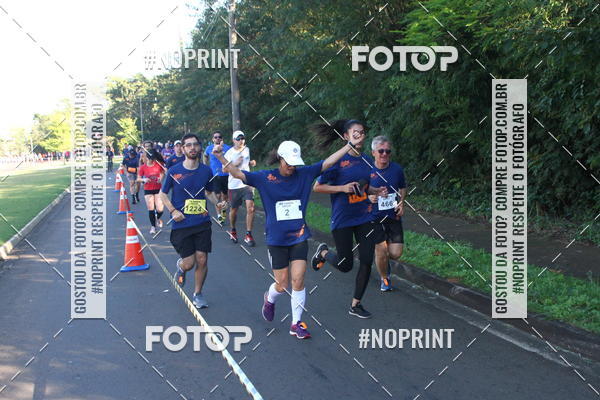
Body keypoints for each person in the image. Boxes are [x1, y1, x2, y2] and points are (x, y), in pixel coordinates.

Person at [213, 136, 362, 339]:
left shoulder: (304, 174)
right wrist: (221, 157)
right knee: (282, 285)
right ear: (280, 159)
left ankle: (296, 323)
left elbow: (328, 162)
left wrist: (348, 146)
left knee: (298, 280)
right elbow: (238, 173)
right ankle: (270, 298)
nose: (292, 167)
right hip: (276, 239)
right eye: (288, 163)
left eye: (295, 163)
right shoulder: (265, 177)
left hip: (299, 237)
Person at [311, 119, 386, 319]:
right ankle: (323, 252)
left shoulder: (367, 161)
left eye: (362, 132)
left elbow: (364, 187)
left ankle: (356, 304)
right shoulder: (337, 162)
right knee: (345, 265)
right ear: (346, 136)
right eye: (355, 133)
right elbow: (317, 187)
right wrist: (342, 188)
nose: (360, 136)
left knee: (367, 260)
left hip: (364, 217)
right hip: (343, 218)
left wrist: (377, 191)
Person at [160, 133, 225, 309]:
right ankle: (181, 267)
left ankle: (198, 294)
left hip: (202, 222)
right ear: (183, 148)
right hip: (182, 224)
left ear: (200, 147)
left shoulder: (206, 171)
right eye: (188, 145)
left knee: (202, 259)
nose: (192, 148)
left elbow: (209, 192)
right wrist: (173, 211)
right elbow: (163, 194)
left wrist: (218, 203)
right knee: (189, 263)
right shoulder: (174, 171)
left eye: (195, 144)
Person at [369, 136, 406, 291]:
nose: (384, 154)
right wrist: (368, 198)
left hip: (393, 216)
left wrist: (402, 202)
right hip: (373, 217)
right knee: (381, 250)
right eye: (381, 151)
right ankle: (385, 279)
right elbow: (358, 191)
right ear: (373, 153)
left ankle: (382, 261)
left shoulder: (397, 169)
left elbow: (402, 187)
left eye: (387, 151)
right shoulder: (367, 170)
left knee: (395, 253)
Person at [223, 131, 257, 245]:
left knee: (251, 208)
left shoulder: (246, 149)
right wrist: (235, 164)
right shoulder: (229, 153)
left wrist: (251, 163)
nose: (241, 141)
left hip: (247, 183)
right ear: (233, 140)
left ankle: (248, 234)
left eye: (242, 138)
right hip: (234, 186)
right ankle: (233, 230)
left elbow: (246, 163)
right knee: (234, 210)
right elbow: (224, 169)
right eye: (238, 139)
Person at [204, 131, 231, 225]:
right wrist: (206, 166)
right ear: (213, 139)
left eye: (219, 137)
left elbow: (232, 158)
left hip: (226, 175)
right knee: (217, 196)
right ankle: (219, 215)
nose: (217, 138)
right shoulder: (209, 148)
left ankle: (223, 213)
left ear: (222, 139)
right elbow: (205, 156)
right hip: (214, 175)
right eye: (215, 137)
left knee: (225, 196)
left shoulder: (227, 148)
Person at [137, 149, 166, 234]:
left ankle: (158, 218)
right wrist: (144, 179)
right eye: (149, 159)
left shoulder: (158, 165)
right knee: (151, 208)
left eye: (152, 159)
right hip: (148, 189)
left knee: (160, 209)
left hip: (157, 189)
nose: (151, 161)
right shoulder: (143, 167)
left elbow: (162, 173)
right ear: (146, 158)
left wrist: (160, 179)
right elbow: (138, 179)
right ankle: (153, 227)